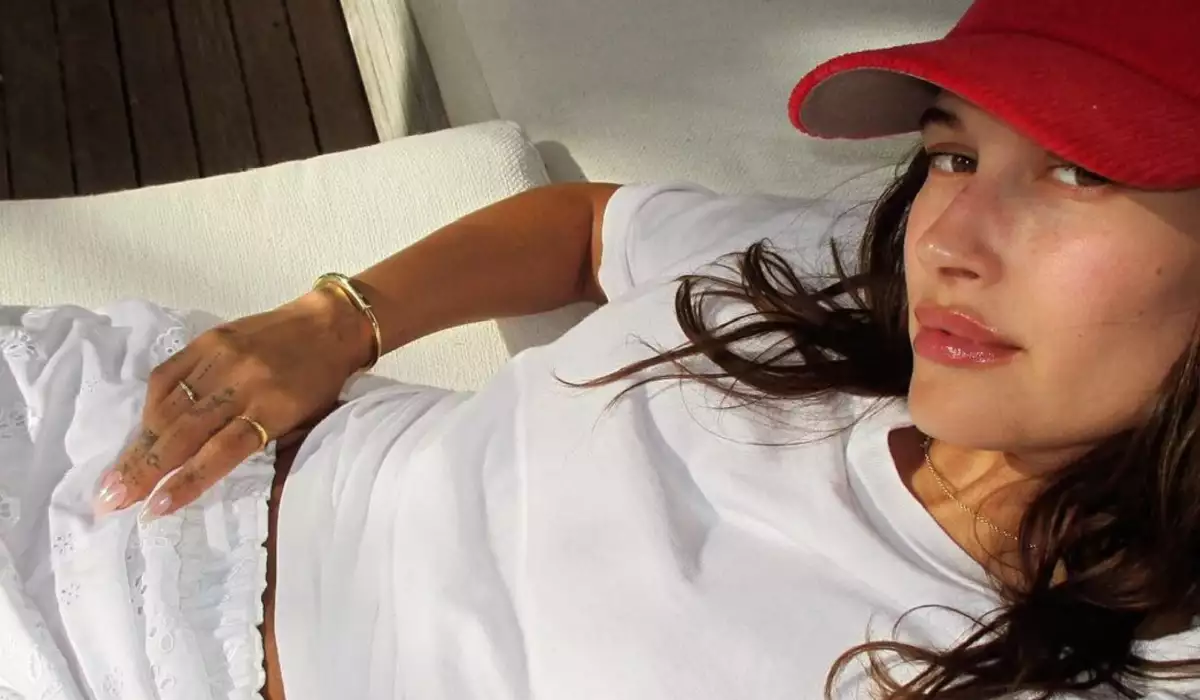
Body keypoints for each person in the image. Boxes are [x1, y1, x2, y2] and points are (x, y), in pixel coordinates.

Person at [2, 0, 1198, 698]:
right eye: (951, 154)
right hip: (147, 436)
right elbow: (587, 229)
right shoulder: (852, 272)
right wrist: (337, 320)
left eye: (1078, 174)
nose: (947, 241)